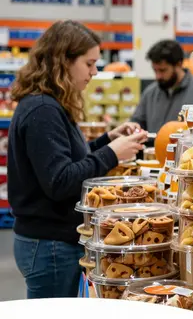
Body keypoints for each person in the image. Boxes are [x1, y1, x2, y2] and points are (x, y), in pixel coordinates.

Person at [8, 20, 148, 299]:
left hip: (51, 242)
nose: (95, 72)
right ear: (63, 61)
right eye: (90, 63)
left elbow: (67, 160)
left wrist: (107, 140)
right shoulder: (43, 110)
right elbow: (60, 181)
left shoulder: (48, 104)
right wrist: (111, 153)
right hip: (50, 245)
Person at [130, 39, 193, 131]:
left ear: (179, 64)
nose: (158, 76)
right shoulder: (150, 93)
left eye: (162, 70)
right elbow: (136, 122)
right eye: (155, 70)